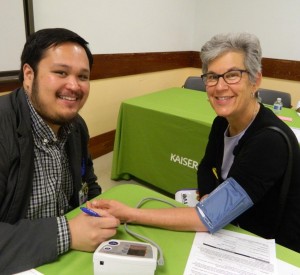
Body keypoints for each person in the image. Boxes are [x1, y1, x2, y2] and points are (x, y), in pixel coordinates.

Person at [92, 32, 300, 253]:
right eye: (212, 76)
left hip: (273, 246)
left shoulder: (269, 141)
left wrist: (131, 214)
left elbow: (208, 217)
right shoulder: (222, 122)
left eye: (232, 75)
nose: (219, 86)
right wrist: (211, 196)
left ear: (255, 80)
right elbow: (205, 167)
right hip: (236, 222)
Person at [0, 28, 120, 274]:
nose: (74, 86)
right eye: (61, 73)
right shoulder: (4, 129)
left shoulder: (76, 127)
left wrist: (98, 208)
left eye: (83, 77)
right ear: (28, 75)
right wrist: (67, 232)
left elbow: (88, 182)